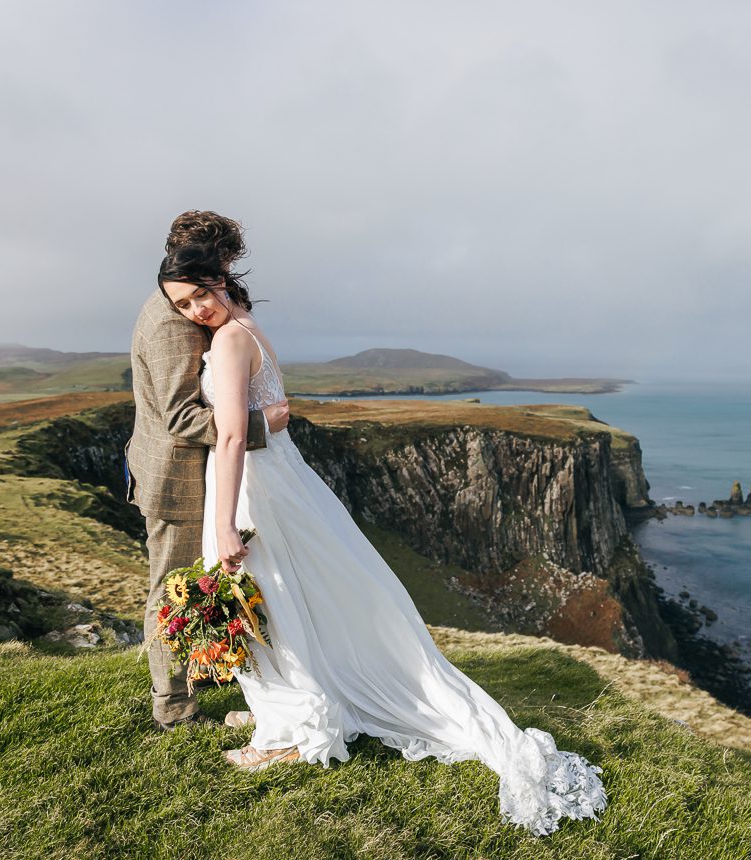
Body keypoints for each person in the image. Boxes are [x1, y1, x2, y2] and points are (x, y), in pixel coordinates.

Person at [156, 228, 608, 836]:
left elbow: (233, 436)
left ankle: (296, 730)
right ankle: (292, 702)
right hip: (279, 477)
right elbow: (263, 415)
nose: (194, 311)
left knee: (270, 601)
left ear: (218, 276)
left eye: (198, 296)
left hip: (255, 488)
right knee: (287, 598)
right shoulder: (247, 323)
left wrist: (224, 523)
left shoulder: (231, 341)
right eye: (182, 306)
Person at [127, 211, 292, 731]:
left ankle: (214, 682)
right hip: (175, 479)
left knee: (205, 584)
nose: (221, 277)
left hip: (201, 474)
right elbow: (180, 416)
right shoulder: (172, 323)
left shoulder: (190, 306)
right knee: (171, 588)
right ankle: (173, 708)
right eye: (220, 263)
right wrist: (258, 424)